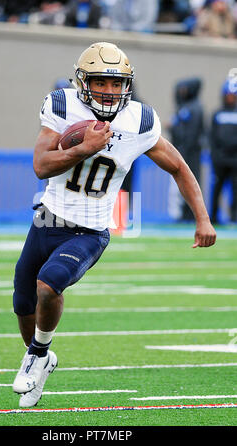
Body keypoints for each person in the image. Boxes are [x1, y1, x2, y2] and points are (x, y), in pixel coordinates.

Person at [12, 42, 216, 408]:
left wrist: (202, 218)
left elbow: (179, 167)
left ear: (127, 85)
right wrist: (82, 148)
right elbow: (42, 165)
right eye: (101, 82)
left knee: (48, 286)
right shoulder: (63, 104)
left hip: (89, 230)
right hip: (46, 219)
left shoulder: (138, 120)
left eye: (117, 83)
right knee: (23, 302)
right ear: (83, 82)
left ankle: (39, 352)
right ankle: (40, 357)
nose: (110, 90)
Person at [169, 77, 204, 221]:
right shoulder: (183, 107)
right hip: (181, 151)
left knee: (189, 181)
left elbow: (191, 133)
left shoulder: (195, 108)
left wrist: (184, 149)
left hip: (189, 153)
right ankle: (181, 214)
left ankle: (188, 214)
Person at [210, 78, 237, 223]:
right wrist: (215, 157)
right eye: (228, 95)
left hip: (235, 160)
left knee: (235, 190)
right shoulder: (217, 114)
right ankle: (214, 216)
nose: (230, 98)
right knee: (217, 189)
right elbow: (212, 137)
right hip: (220, 159)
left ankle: (234, 217)